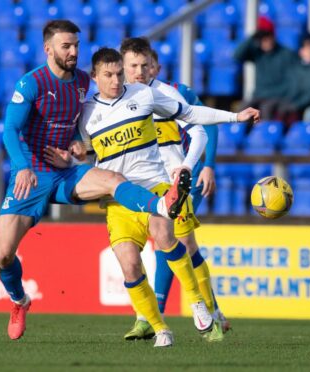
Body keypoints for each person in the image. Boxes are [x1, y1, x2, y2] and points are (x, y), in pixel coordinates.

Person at [44, 47, 259, 347]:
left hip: (156, 187)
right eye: (109, 75)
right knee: (129, 264)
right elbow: (89, 151)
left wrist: (236, 116)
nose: (117, 80)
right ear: (94, 77)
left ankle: (198, 303)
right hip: (117, 198)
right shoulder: (85, 112)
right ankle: (159, 328)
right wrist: (75, 155)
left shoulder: (142, 95)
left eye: (119, 72)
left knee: (165, 235)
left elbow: (191, 114)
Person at [0, 20, 195, 341]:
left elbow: (86, 119)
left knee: (114, 178)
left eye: (76, 45)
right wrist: (21, 166)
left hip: (66, 171)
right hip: (31, 176)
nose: (73, 51)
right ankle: (19, 301)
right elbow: (10, 130)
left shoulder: (84, 83)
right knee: (3, 256)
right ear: (48, 49)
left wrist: (77, 143)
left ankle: (159, 203)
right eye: (66, 46)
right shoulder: (31, 84)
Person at [120, 38, 230, 341]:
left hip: (173, 183)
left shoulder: (173, 94)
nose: (141, 71)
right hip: (139, 185)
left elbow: (206, 124)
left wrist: (206, 166)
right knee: (154, 249)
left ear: (156, 66)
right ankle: (152, 316)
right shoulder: (120, 99)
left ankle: (210, 312)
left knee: (181, 244)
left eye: (147, 65)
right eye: (135, 66)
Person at [233, 16, 295, 120]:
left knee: (266, 109)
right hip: (259, 96)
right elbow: (237, 55)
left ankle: (264, 135)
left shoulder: (286, 54)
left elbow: (293, 80)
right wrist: (253, 36)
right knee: (243, 109)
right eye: (262, 38)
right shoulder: (258, 54)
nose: (265, 41)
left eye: (268, 37)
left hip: (278, 96)